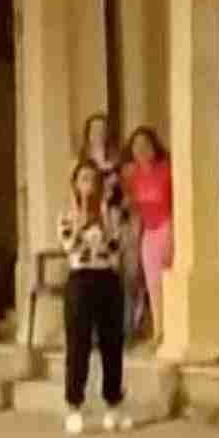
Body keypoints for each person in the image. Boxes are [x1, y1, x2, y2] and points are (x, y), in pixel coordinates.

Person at [58, 159, 132, 435]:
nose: (89, 185)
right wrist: (81, 222)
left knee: (112, 344)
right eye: (84, 179)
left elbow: (115, 249)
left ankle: (114, 404)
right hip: (81, 279)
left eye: (93, 179)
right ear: (76, 185)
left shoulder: (111, 214)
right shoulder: (67, 214)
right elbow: (70, 246)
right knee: (78, 344)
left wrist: (103, 219)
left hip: (107, 278)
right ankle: (74, 405)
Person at [80, 112, 144, 340]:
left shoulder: (119, 162)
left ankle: (126, 326)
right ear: (88, 134)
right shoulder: (81, 164)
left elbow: (129, 193)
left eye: (103, 129)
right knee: (100, 277)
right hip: (94, 223)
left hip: (119, 221)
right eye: (94, 129)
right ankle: (99, 330)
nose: (99, 133)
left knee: (127, 275)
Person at [124, 126, 173, 348]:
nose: (141, 150)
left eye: (146, 145)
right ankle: (159, 330)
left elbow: (174, 204)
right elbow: (135, 209)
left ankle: (173, 327)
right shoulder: (132, 176)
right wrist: (135, 238)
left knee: (169, 280)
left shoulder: (166, 170)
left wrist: (172, 235)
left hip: (167, 226)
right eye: (136, 146)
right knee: (152, 283)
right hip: (149, 232)